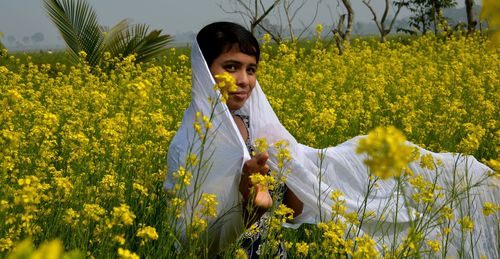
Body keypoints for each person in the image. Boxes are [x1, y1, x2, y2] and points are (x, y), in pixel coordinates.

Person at [166, 21, 498, 257]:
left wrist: (290, 181)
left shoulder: (260, 132)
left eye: (251, 69)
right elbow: (194, 242)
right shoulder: (189, 145)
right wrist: (250, 203)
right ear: (205, 72)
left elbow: (293, 212)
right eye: (231, 67)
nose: (243, 80)